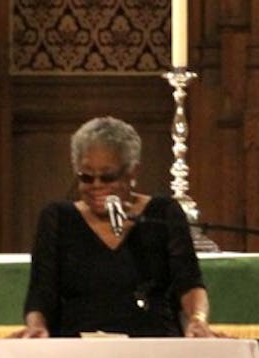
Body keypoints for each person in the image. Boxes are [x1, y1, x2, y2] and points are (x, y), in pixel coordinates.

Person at [19, 116, 217, 338]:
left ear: (132, 172)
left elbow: (188, 281)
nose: (97, 186)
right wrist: (37, 324)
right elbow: (41, 291)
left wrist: (197, 320)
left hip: (152, 344)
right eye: (86, 177)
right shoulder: (57, 217)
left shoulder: (162, 213)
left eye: (108, 177)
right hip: (78, 345)